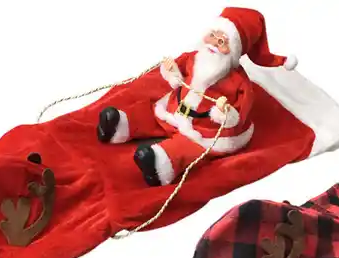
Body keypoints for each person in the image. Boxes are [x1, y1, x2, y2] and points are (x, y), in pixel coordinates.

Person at [96, 7, 297, 186]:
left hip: (205, 130)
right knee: (151, 113)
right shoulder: (194, 57)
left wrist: (225, 112)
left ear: (234, 50)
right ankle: (119, 124)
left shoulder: (239, 83)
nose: (214, 43)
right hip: (176, 109)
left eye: (222, 41)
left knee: (187, 147)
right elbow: (177, 72)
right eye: (213, 35)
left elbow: (239, 112)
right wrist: (172, 71)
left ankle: (158, 163)